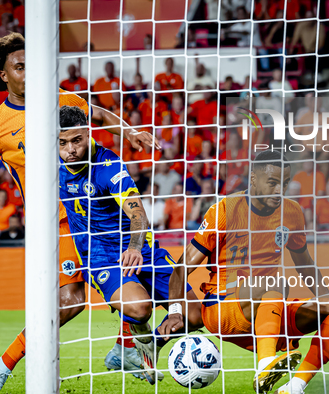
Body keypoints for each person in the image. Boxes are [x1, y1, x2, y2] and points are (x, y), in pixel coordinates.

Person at [0, 33, 157, 394]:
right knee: (72, 301)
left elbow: (97, 113)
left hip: (98, 210)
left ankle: (125, 348)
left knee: (134, 278)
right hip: (57, 223)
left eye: (34, 64)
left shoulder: (61, 98)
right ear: (3, 75)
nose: (30, 72)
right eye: (20, 67)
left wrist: (130, 132)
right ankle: (1, 364)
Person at [161, 151, 329, 394]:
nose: (280, 190)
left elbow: (305, 264)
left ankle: (295, 387)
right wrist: (174, 312)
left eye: (285, 183)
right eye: (273, 182)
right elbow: (182, 268)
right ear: (254, 179)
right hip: (223, 306)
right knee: (275, 283)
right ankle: (266, 364)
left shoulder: (291, 213)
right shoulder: (225, 210)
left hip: (270, 307)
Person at [58, 106, 203, 384]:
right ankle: (128, 345)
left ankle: (138, 349)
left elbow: (138, 214)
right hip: (101, 255)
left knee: (195, 315)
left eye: (77, 140)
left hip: (141, 249)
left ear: (88, 135)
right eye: (63, 143)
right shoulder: (51, 164)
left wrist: (135, 247)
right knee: (140, 308)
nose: (70, 150)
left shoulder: (108, 166)